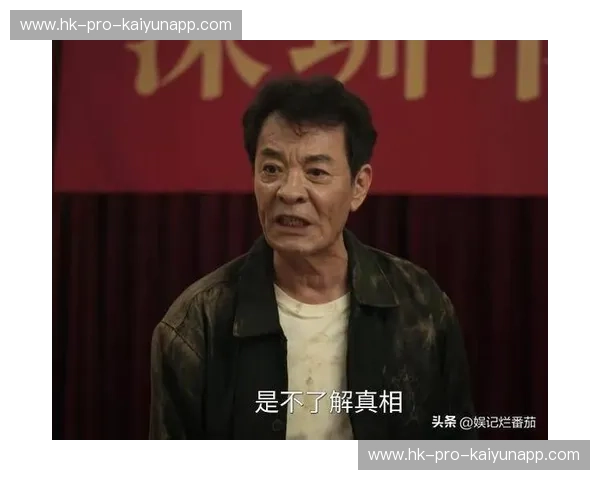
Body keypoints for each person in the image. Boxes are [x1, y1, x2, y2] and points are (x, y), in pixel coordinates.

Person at [149, 75, 476, 440]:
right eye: (271, 169)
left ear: (359, 186)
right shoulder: (199, 324)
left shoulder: (420, 307)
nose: (290, 192)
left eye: (316, 172)